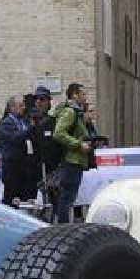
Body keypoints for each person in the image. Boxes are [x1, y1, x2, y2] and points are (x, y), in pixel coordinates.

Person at [48, 83, 93, 224]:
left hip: (77, 160)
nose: (85, 97)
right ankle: (63, 226)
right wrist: (79, 144)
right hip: (71, 160)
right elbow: (59, 133)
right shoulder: (70, 112)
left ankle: (63, 224)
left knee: (68, 197)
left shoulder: (77, 112)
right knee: (67, 197)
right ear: (74, 95)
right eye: (83, 94)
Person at [0, 95, 35, 207]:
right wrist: (30, 129)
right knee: (10, 200)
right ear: (12, 107)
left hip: (24, 167)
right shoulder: (6, 123)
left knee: (23, 201)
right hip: (12, 169)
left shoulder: (23, 122)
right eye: (21, 105)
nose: (24, 107)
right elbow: (15, 138)